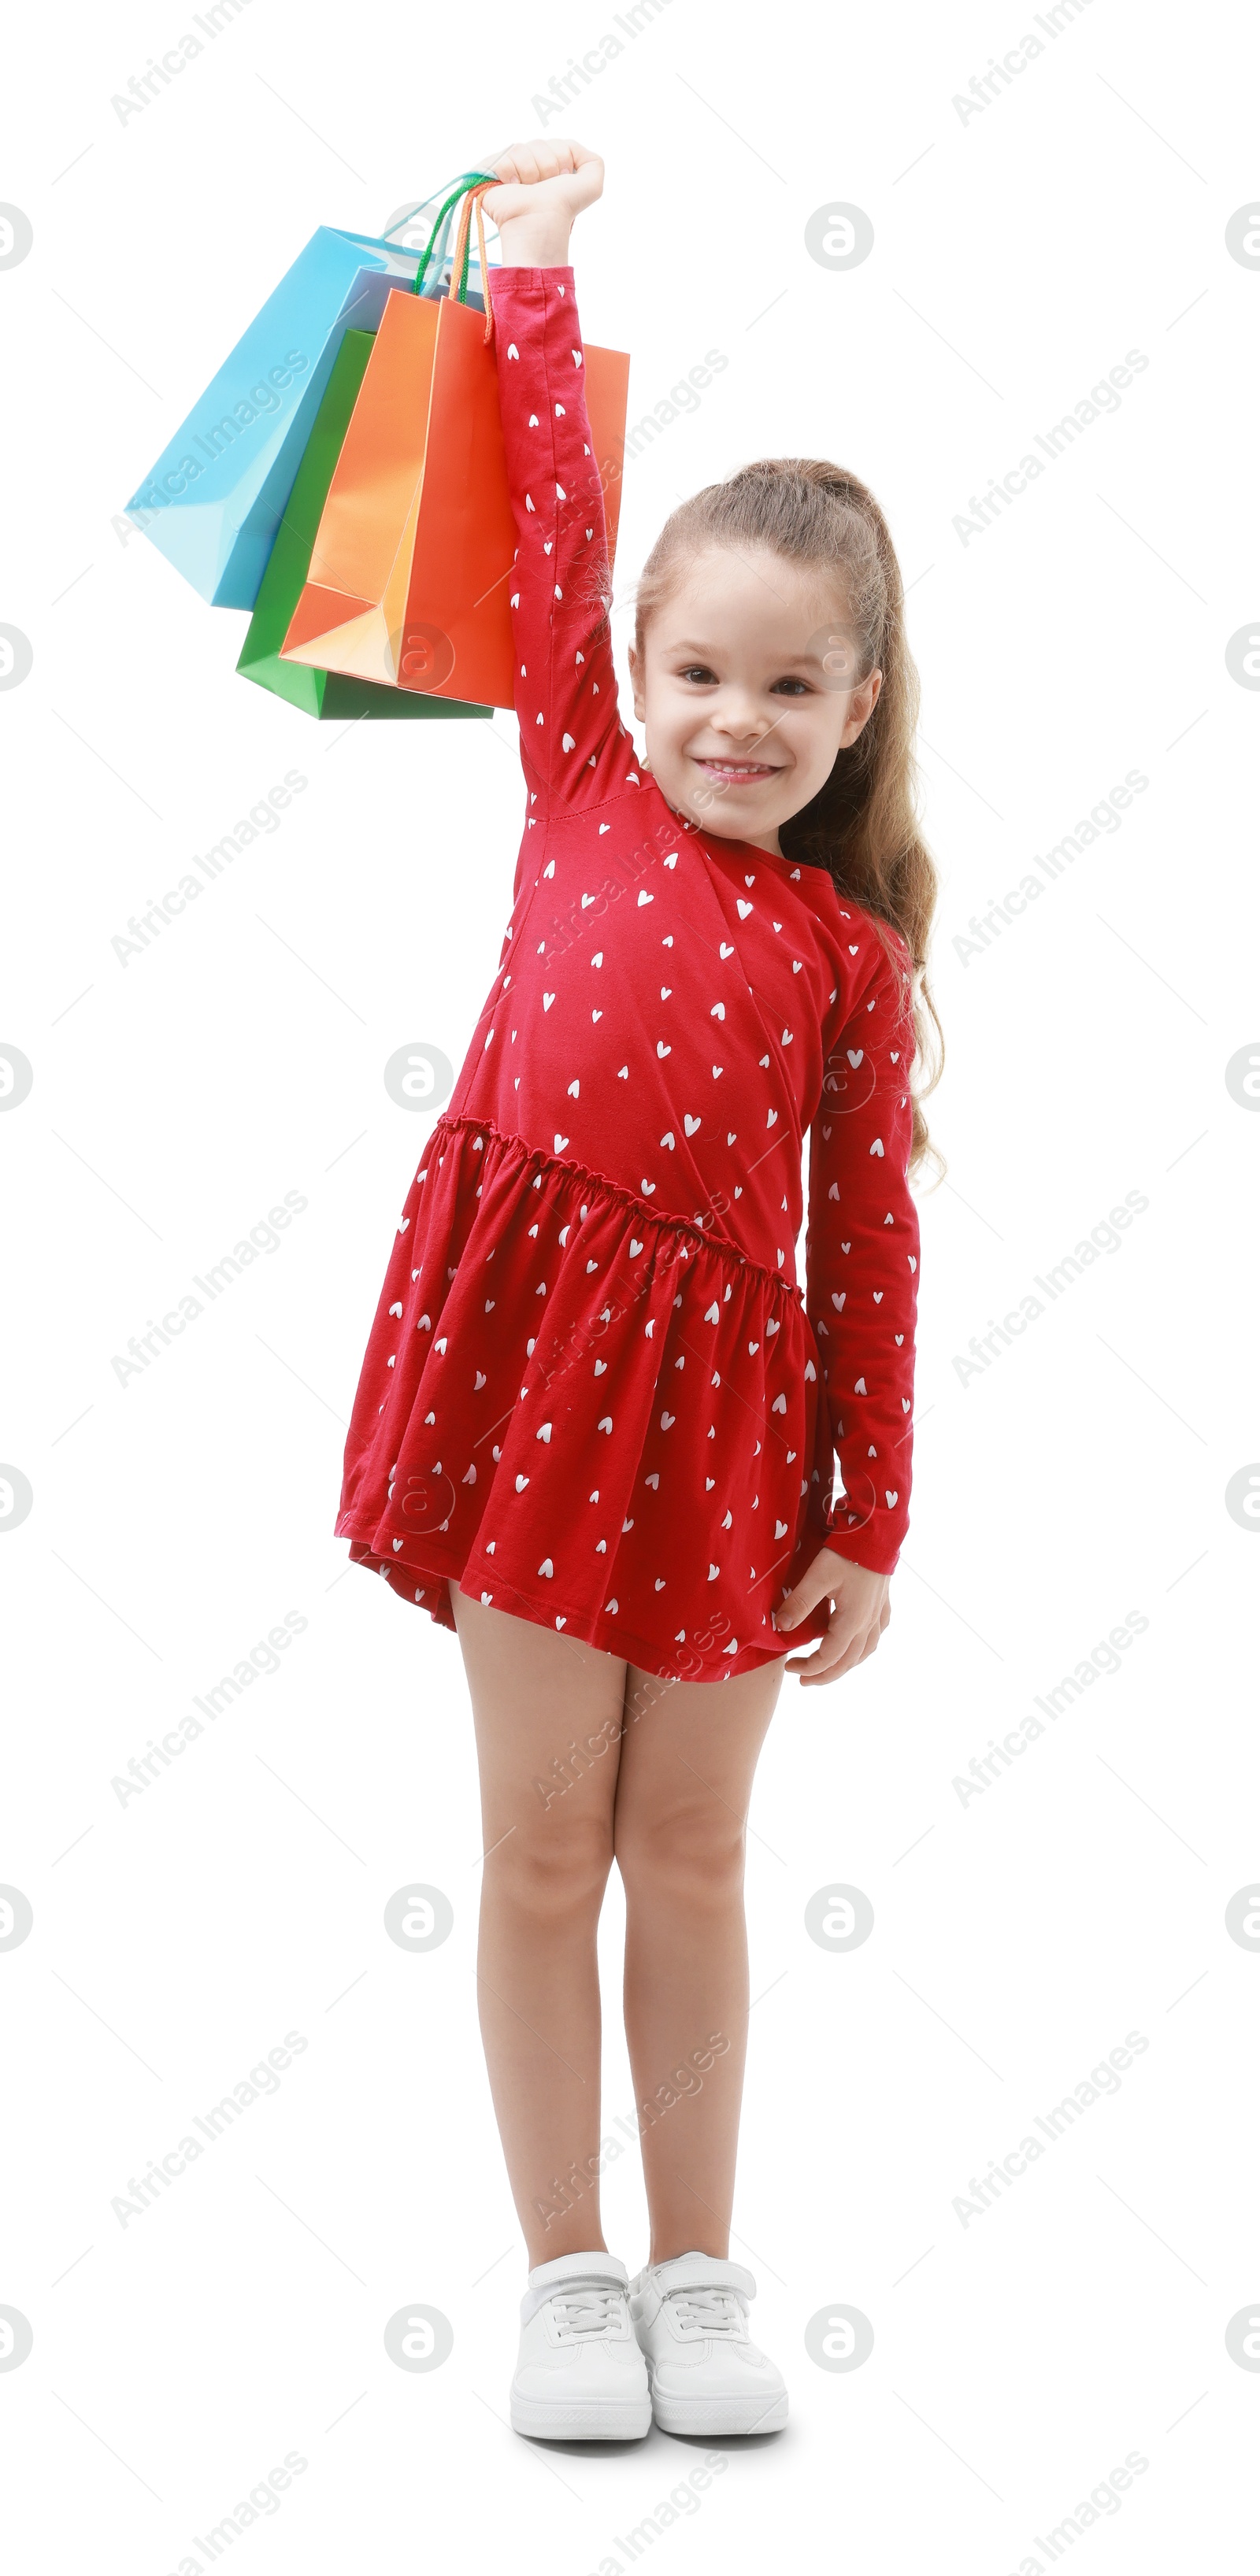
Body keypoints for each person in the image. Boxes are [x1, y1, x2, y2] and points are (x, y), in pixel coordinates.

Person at [334, 139, 942, 2441]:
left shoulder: (845, 958)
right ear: (635, 673)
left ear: (859, 703)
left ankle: (701, 2268)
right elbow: (554, 519)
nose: (736, 721)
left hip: (721, 1430)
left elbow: (869, 1243)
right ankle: (562, 2274)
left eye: (791, 687)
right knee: (534, 1847)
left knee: (691, 1846)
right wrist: (532, 275)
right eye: (700, 670)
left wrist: (867, 1512)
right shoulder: (576, 779)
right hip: (527, 1381)